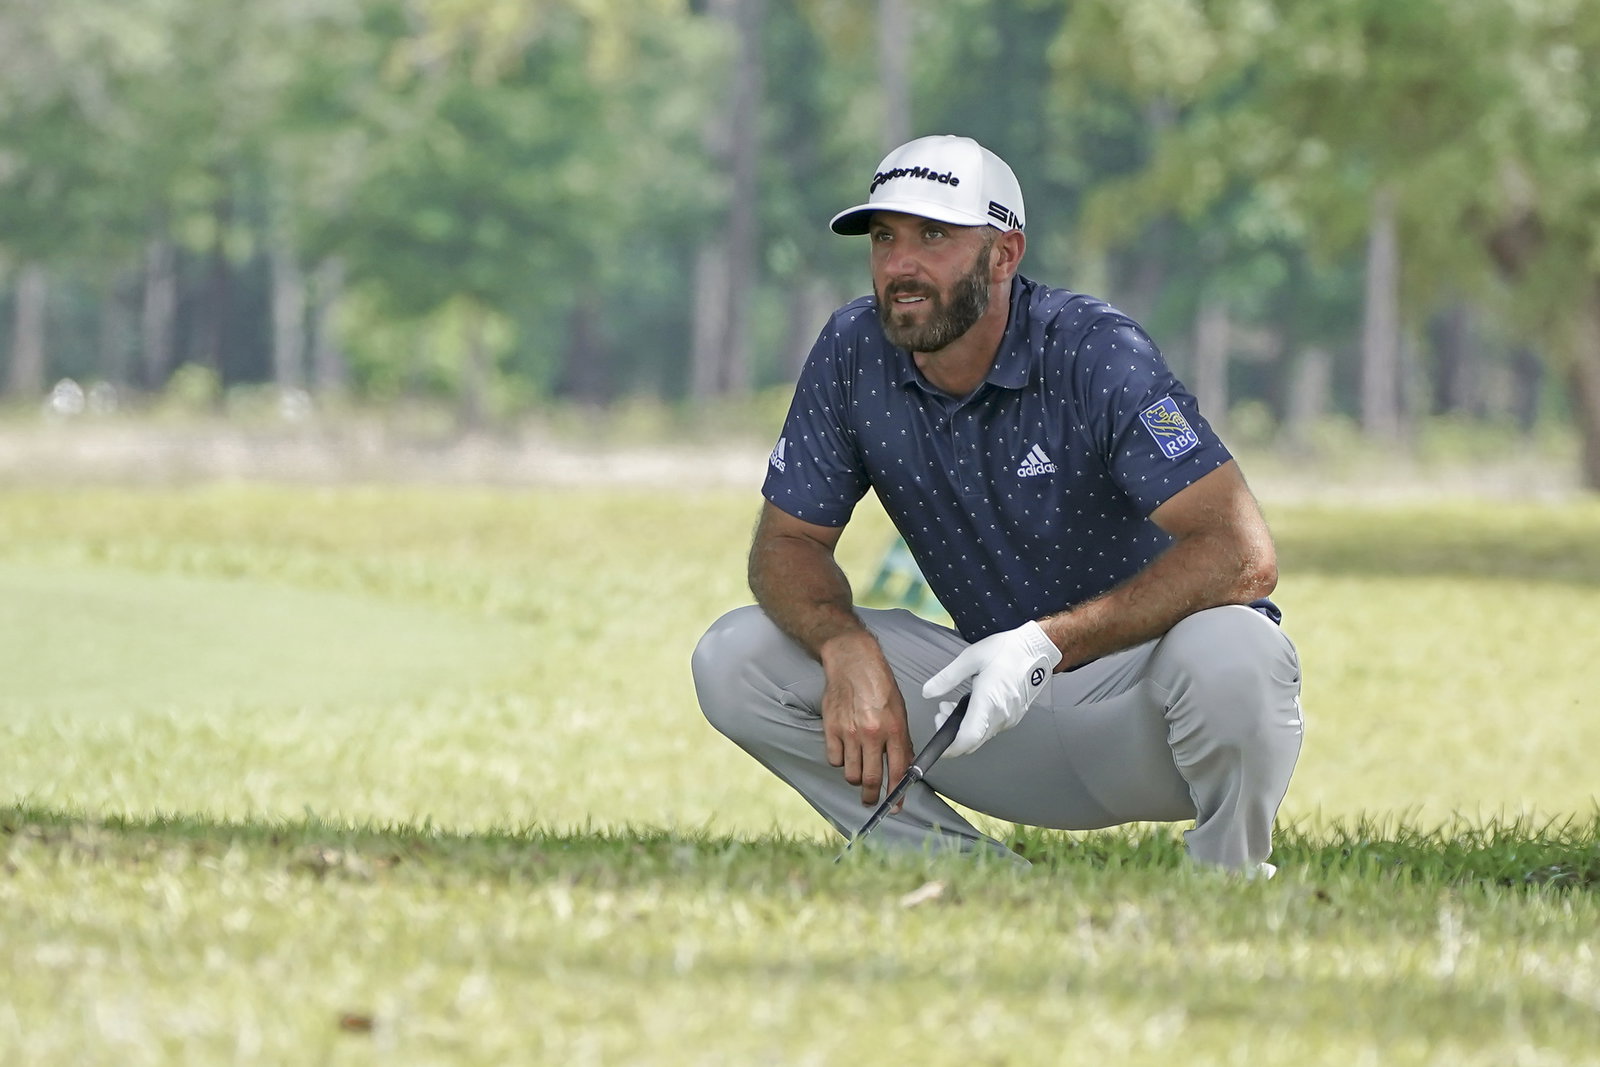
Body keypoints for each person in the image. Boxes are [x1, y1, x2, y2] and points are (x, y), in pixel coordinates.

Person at [691, 134, 1303, 874]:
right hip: (985, 714)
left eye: (935, 236)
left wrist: (1046, 644)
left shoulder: (1095, 350)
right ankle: (966, 872)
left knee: (1239, 648)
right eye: (885, 238)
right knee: (735, 656)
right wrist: (841, 644)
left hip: (1144, 715)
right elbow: (786, 544)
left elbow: (1242, 553)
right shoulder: (853, 349)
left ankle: (1227, 877)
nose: (900, 266)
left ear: (1005, 254)